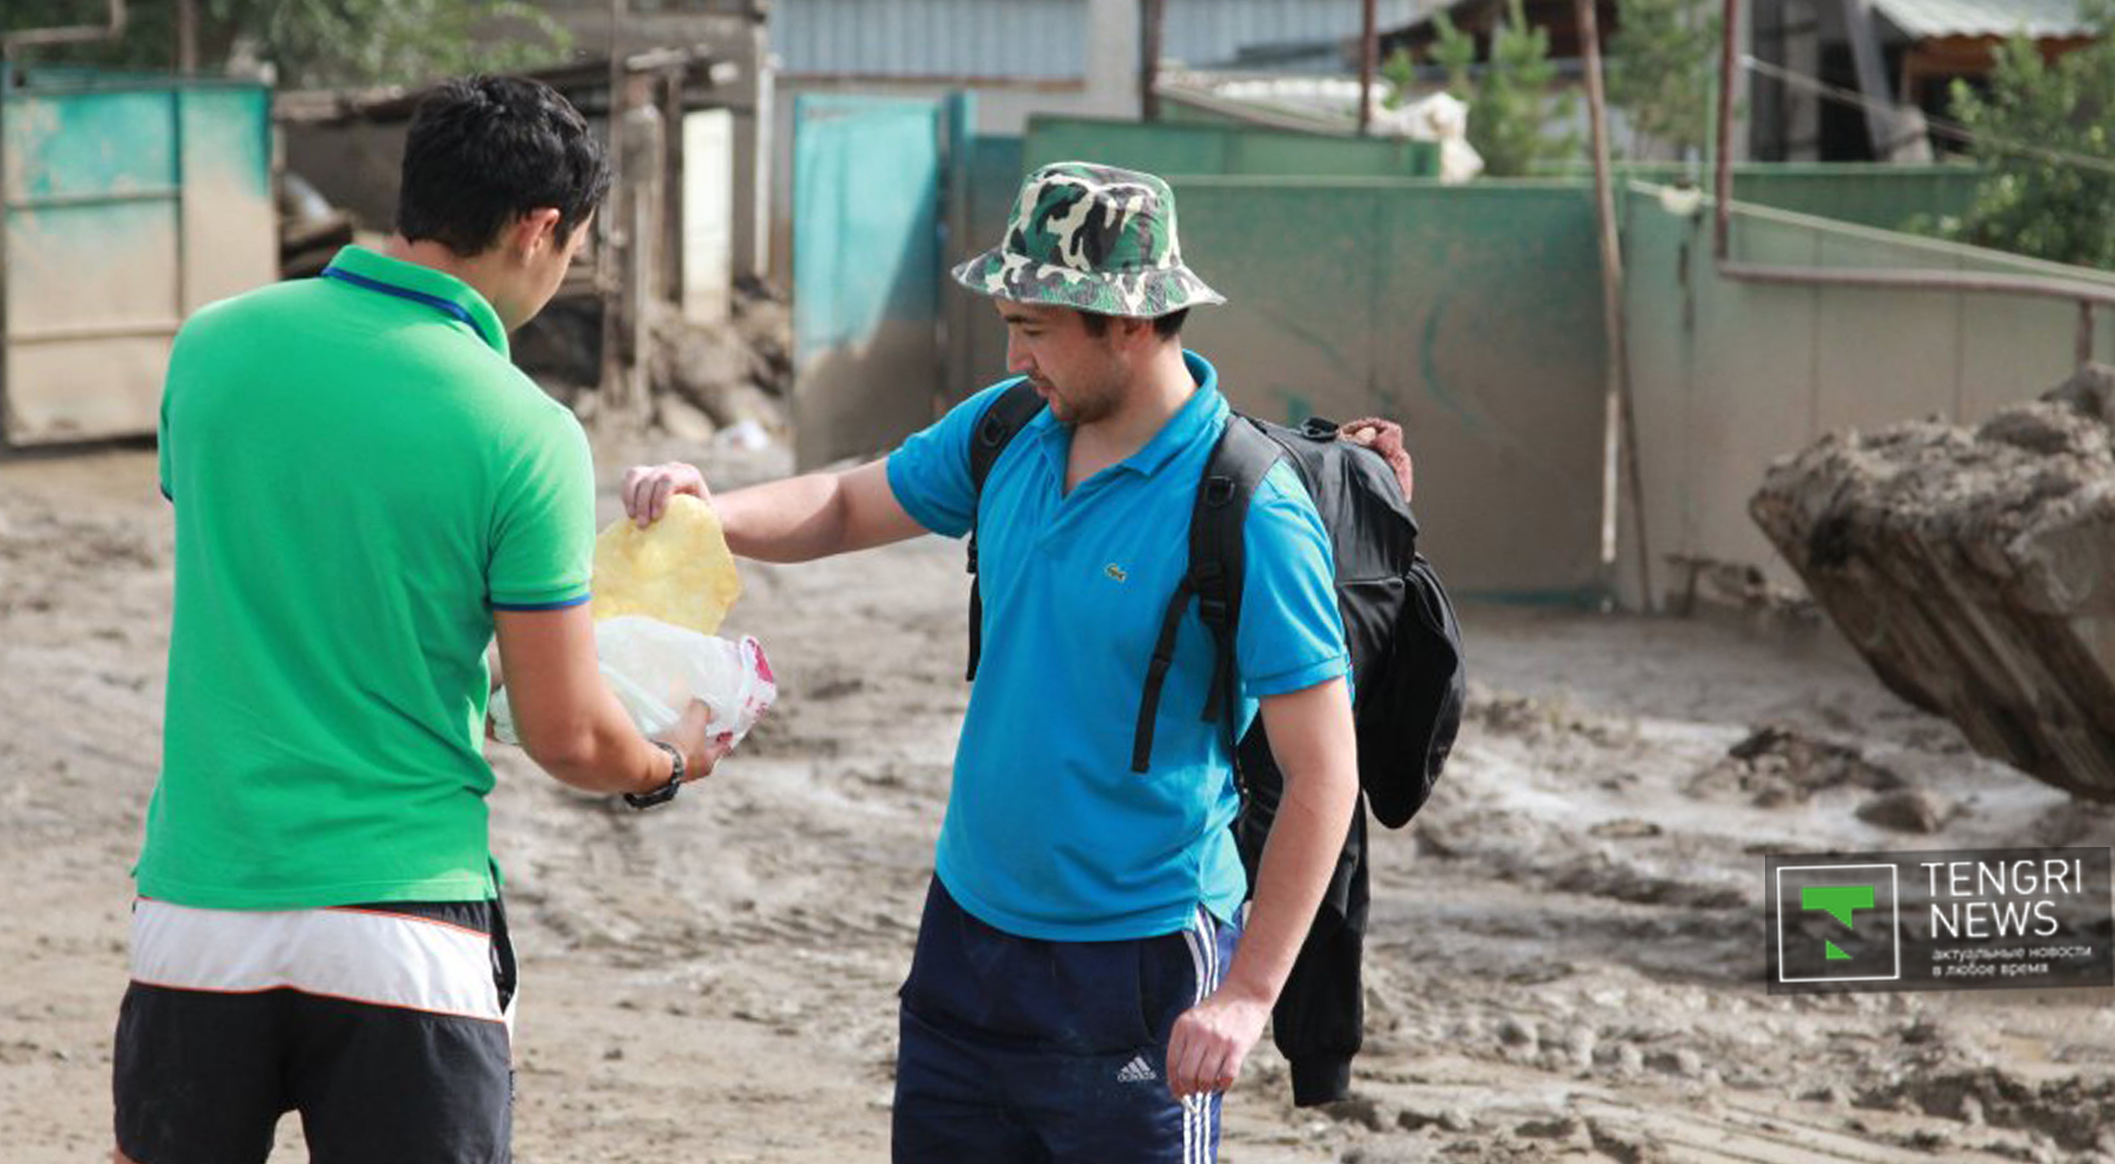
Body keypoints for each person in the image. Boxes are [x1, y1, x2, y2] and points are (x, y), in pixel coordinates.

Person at [623, 162, 1359, 1163]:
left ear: (1128, 323)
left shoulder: (1250, 509)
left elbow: (1323, 771)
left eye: (1035, 327)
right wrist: (706, 514)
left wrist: (1246, 996)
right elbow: (844, 504)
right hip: (966, 932)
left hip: (1139, 957)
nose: (1015, 354)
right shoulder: (1010, 427)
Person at [116, 76, 734, 1164]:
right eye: (574, 245)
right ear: (539, 227)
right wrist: (668, 760)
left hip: (201, 911)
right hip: (404, 929)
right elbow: (568, 734)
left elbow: (282, 558)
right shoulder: (525, 429)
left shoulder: (210, 346)